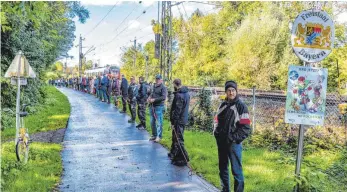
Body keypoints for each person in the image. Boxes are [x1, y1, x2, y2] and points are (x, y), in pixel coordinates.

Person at [213, 80, 251, 192]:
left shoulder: (241, 107)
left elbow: (246, 128)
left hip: (234, 144)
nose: (231, 93)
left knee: (236, 171)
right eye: (229, 90)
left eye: (233, 90)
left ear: (236, 91)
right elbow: (216, 120)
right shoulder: (223, 105)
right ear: (226, 92)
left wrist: (233, 139)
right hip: (222, 143)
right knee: (223, 169)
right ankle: (225, 189)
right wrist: (217, 133)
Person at [168, 78, 190, 166]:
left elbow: (177, 111)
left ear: (174, 84)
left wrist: (173, 122)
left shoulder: (179, 95)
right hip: (183, 119)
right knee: (175, 137)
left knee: (178, 139)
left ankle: (184, 158)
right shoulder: (187, 93)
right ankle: (173, 153)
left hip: (179, 121)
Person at [147, 74, 167, 142]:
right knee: (152, 122)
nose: (157, 80)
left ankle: (159, 136)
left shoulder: (163, 87)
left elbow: (163, 97)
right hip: (151, 106)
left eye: (158, 79)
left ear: (161, 80)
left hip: (159, 106)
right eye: (156, 79)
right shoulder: (153, 86)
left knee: (159, 122)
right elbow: (151, 94)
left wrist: (154, 100)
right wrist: (149, 98)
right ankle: (154, 135)